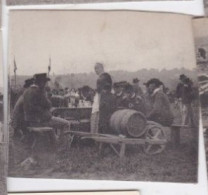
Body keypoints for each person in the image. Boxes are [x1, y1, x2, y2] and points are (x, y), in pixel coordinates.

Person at [91, 62, 113, 134]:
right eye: (95, 69)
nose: (96, 70)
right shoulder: (106, 77)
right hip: (103, 101)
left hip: (102, 102)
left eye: (97, 68)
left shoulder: (102, 77)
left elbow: (101, 92)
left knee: (98, 122)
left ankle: (96, 138)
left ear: (101, 68)